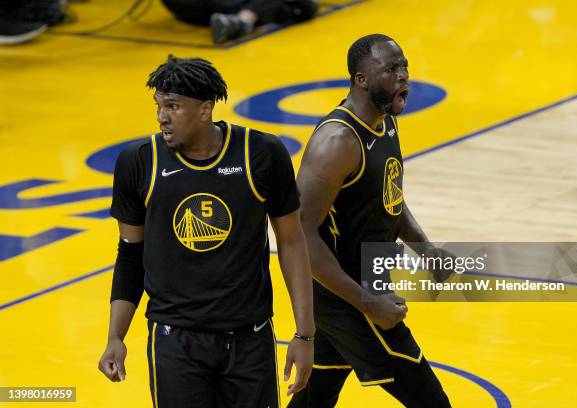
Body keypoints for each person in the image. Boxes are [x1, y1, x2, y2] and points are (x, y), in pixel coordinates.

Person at [98, 54, 315, 408]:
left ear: (205, 109)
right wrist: (115, 336)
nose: (161, 117)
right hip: (175, 339)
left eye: (172, 106)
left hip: (250, 338)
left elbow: (291, 242)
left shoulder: (260, 154)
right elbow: (130, 253)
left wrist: (305, 334)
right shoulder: (139, 162)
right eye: (158, 106)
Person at [288, 34, 452, 407]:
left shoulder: (385, 121)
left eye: (405, 67)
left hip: (361, 281)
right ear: (361, 79)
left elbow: (389, 196)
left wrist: (426, 250)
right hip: (346, 292)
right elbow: (300, 235)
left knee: (315, 397)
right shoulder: (337, 143)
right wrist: (367, 302)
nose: (404, 77)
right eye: (391, 69)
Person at [160, 0, 318, 43]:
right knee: (303, 7)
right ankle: (244, 20)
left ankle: (241, 20)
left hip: (184, 11)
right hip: (203, 7)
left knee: (301, 8)